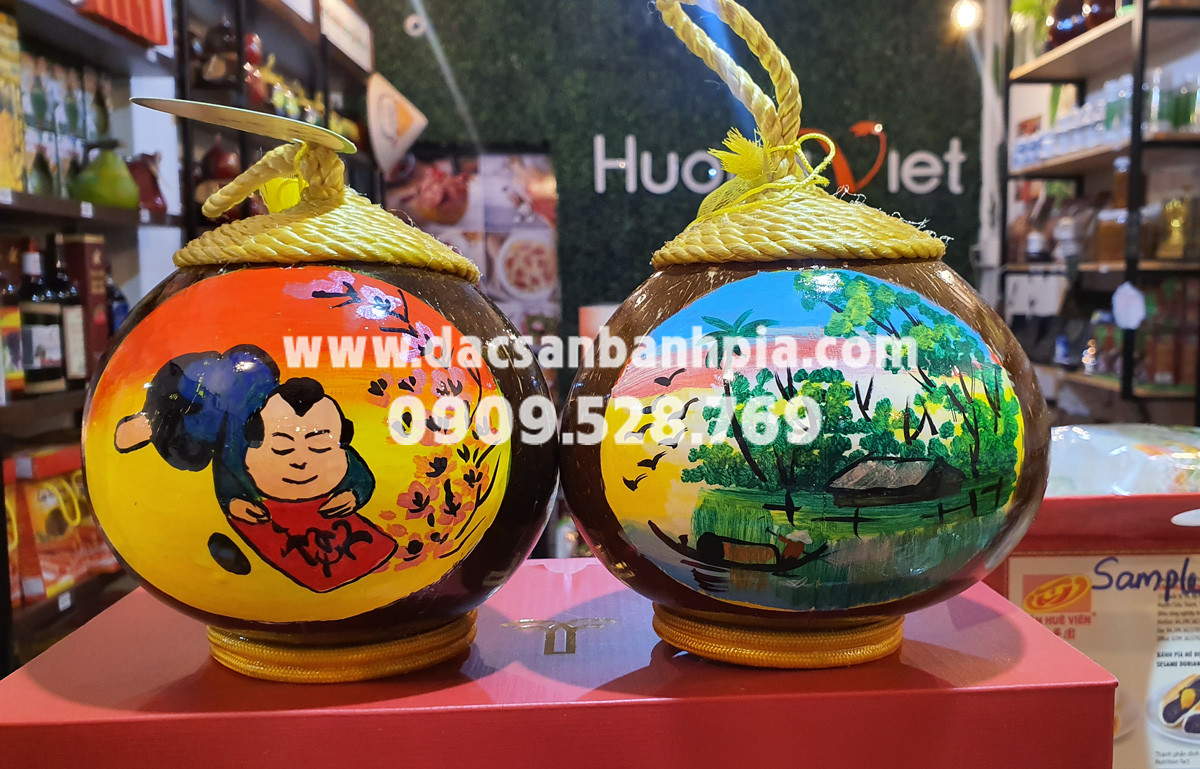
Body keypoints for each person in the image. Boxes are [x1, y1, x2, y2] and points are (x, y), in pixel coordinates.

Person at [114, 345, 397, 592]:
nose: (300, 460)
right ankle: (156, 423)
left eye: (320, 446)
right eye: (283, 448)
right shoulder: (238, 444)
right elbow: (229, 475)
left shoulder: (322, 430)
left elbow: (355, 469)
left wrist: (355, 493)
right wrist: (234, 501)